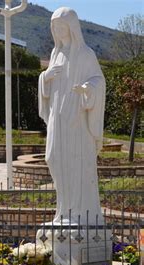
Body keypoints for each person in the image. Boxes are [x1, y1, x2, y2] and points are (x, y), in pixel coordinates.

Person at [38, 7, 106, 226]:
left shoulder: (86, 54)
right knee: (53, 158)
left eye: (61, 26)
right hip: (58, 120)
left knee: (77, 166)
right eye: (54, 27)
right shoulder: (55, 54)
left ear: (71, 27)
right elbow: (46, 86)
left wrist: (87, 88)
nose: (57, 31)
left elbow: (99, 81)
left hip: (77, 122)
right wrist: (45, 77)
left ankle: (79, 213)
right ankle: (63, 210)